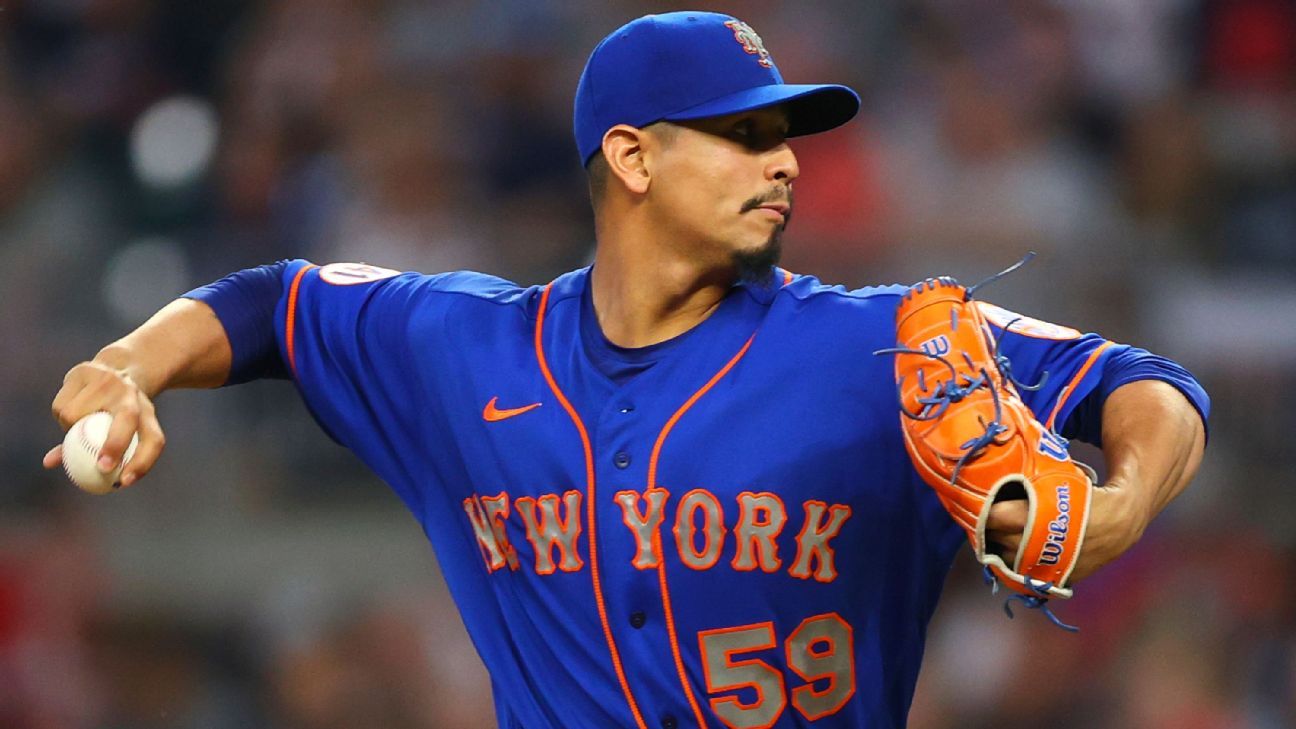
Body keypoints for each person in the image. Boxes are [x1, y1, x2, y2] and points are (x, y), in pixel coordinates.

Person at [44, 12, 1207, 729]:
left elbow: (1148, 385)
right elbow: (270, 304)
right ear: (633, 156)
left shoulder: (881, 341)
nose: (786, 163)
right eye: (744, 134)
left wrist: (1120, 503)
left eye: (788, 134)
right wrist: (125, 366)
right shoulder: (465, 349)